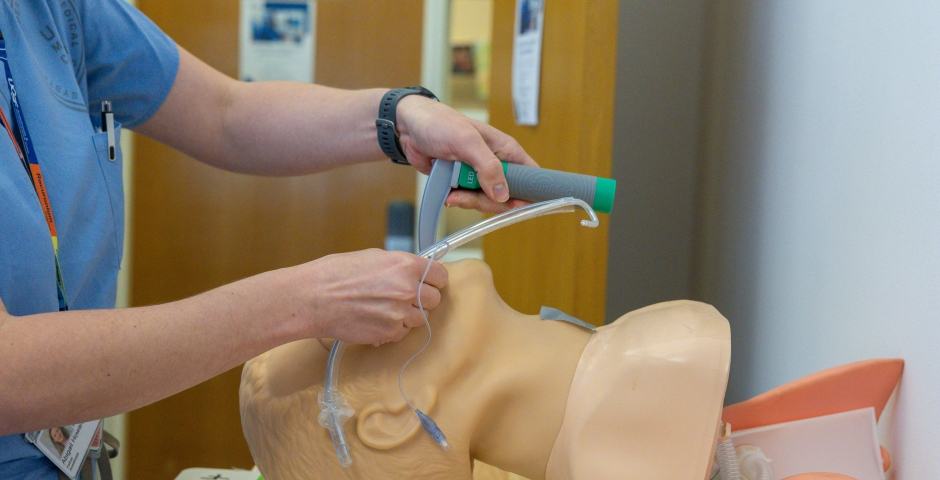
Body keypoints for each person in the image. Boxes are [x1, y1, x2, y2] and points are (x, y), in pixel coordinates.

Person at [0, 1, 537, 478]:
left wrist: (401, 117)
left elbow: (224, 114)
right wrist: (305, 302)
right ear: (385, 425)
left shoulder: (52, 10)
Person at [240, 259, 732, 479]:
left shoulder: (650, 359)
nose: (365, 287)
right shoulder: (631, 446)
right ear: (392, 419)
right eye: (336, 328)